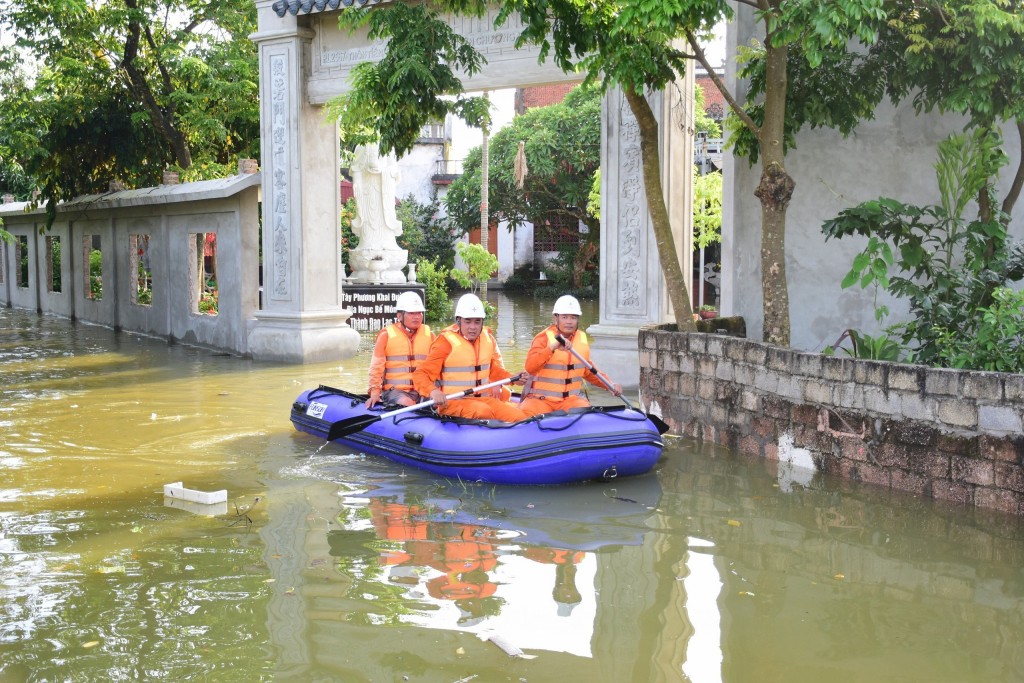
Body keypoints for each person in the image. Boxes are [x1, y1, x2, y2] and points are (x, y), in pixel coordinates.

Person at [412, 293, 527, 422]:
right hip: (452, 402)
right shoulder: (445, 342)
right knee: (483, 411)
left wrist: (513, 379)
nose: (473, 327)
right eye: (468, 321)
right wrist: (433, 392)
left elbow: (494, 372)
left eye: (477, 321)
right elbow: (420, 374)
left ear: (482, 322)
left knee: (520, 418)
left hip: (484, 399)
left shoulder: (488, 339)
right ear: (459, 320)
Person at [519, 295, 621, 417]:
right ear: (555, 318)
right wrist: (552, 348)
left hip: (570, 401)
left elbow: (589, 371)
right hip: (541, 400)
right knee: (524, 416)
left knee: (586, 416)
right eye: (564, 317)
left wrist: (609, 385)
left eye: (573, 317)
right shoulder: (542, 338)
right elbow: (530, 367)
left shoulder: (581, 338)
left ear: (577, 320)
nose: (569, 321)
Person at [365, 291, 433, 408]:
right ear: (399, 315)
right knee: (408, 403)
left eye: (419, 313)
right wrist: (375, 392)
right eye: (411, 313)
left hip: (423, 390)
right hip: (395, 391)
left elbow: (437, 366)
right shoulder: (386, 335)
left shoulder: (430, 335)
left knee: (442, 404)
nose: (417, 316)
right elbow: (376, 367)